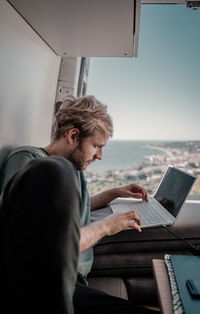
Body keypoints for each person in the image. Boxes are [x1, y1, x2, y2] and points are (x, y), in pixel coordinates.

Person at [0, 95, 157, 314]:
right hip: (50, 281)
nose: (100, 156)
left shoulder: (73, 170)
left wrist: (114, 193)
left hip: (76, 279)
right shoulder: (32, 164)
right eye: (96, 146)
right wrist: (105, 227)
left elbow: (71, 213)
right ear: (73, 135)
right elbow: (44, 246)